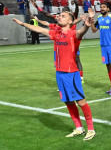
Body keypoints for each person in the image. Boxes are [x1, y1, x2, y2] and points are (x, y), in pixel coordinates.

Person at [13, 12, 96, 140]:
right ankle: (79, 128)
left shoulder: (73, 34)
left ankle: (91, 130)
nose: (59, 17)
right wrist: (23, 24)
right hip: (59, 73)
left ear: (70, 22)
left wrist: (86, 26)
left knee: (80, 101)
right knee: (68, 101)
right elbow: (40, 29)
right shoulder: (56, 34)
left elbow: (81, 32)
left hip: (71, 74)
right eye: (60, 15)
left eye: (63, 16)